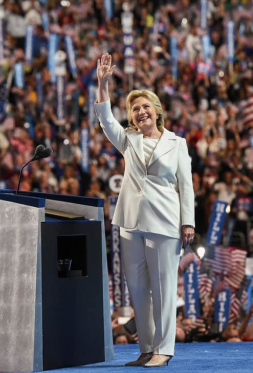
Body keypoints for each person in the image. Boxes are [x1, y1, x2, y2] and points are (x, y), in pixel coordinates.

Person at [94, 53, 195, 367]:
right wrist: (103, 83)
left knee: (164, 289)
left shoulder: (177, 143)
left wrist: (188, 221)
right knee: (138, 290)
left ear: (157, 111)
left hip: (166, 222)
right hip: (130, 223)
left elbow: (186, 185)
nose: (140, 112)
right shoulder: (128, 140)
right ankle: (148, 348)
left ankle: (165, 350)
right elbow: (105, 119)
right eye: (135, 109)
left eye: (145, 106)